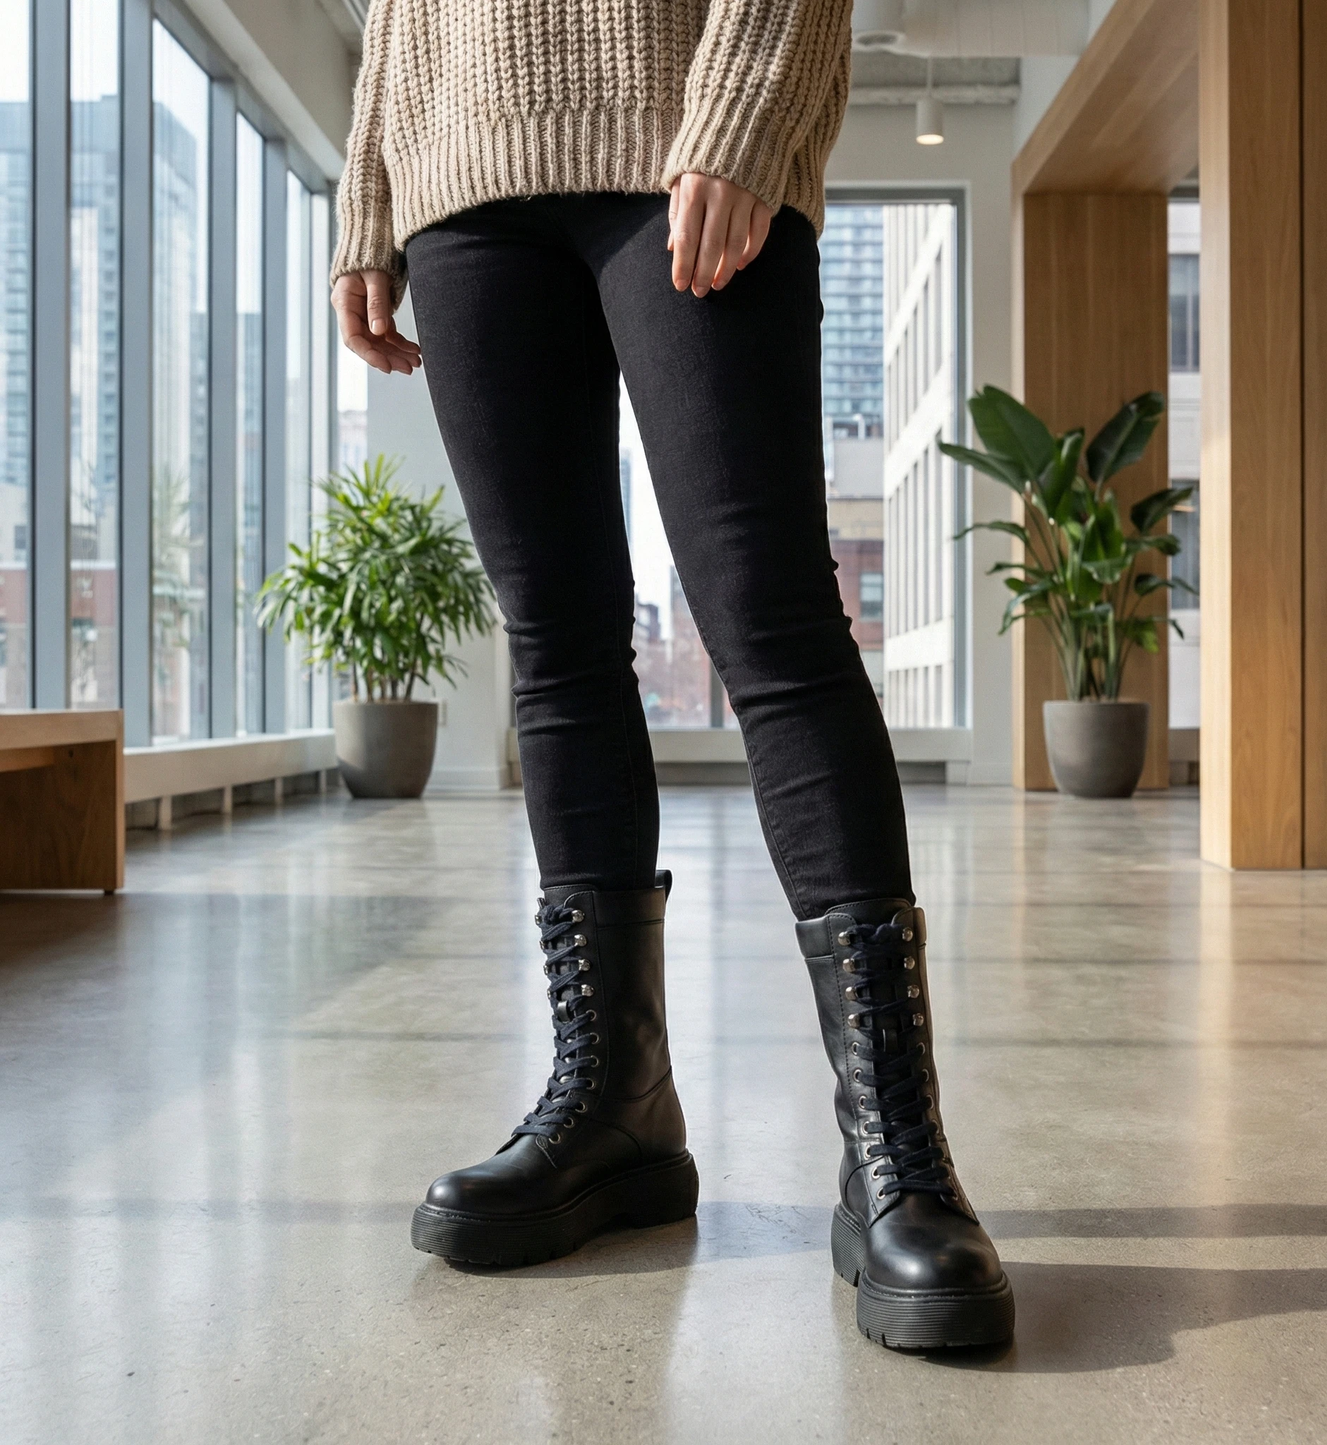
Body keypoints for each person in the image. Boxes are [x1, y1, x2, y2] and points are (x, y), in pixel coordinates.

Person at [331, 0, 1013, 1352]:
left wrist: (748, 103)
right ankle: (615, 1108)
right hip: (459, 162)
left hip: (679, 116)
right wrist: (371, 186)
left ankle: (897, 1151)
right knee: (557, 643)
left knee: (772, 625)